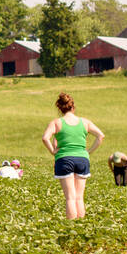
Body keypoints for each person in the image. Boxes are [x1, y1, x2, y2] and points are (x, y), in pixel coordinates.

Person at [41, 92, 105, 220]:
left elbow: (45, 138)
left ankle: (71, 226)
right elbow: (100, 136)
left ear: (60, 108)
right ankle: (81, 226)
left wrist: (53, 151)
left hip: (64, 159)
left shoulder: (56, 122)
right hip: (82, 158)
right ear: (73, 107)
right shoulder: (85, 122)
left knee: (70, 197)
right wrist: (89, 151)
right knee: (79, 197)